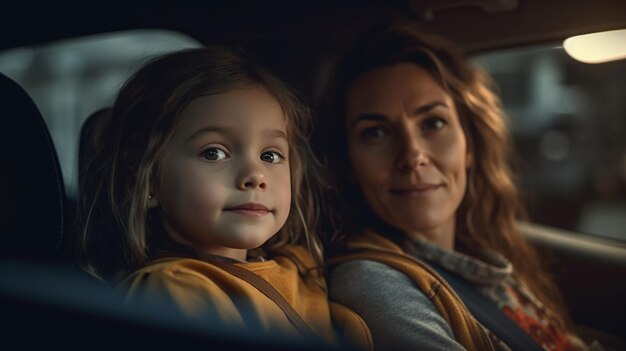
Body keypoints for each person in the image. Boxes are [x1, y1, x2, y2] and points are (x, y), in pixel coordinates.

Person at [315, 19, 592, 351]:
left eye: (433, 123)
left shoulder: (484, 255)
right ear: (347, 164)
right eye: (375, 132)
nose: (413, 155)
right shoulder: (375, 283)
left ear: (469, 147)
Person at [76, 47, 371, 349]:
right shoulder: (173, 289)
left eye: (270, 155)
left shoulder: (300, 268)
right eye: (213, 152)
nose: (255, 175)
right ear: (144, 182)